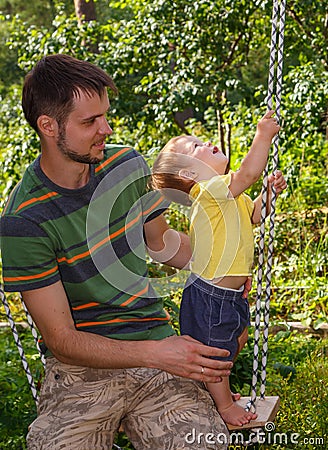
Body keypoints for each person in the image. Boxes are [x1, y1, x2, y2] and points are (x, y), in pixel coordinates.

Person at [0, 54, 247, 449]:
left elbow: (163, 245)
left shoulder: (125, 164)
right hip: (82, 370)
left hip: (158, 351)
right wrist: (155, 354)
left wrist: (228, 265)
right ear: (48, 126)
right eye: (89, 122)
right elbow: (61, 338)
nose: (106, 128)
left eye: (105, 116)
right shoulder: (25, 219)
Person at [151, 110, 287, 427]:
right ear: (190, 175)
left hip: (231, 292)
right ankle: (224, 406)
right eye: (195, 146)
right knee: (215, 352)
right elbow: (248, 173)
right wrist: (263, 134)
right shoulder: (208, 192)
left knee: (236, 338)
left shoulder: (226, 194)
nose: (205, 141)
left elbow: (254, 215)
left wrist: (269, 194)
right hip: (211, 295)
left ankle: (215, 390)